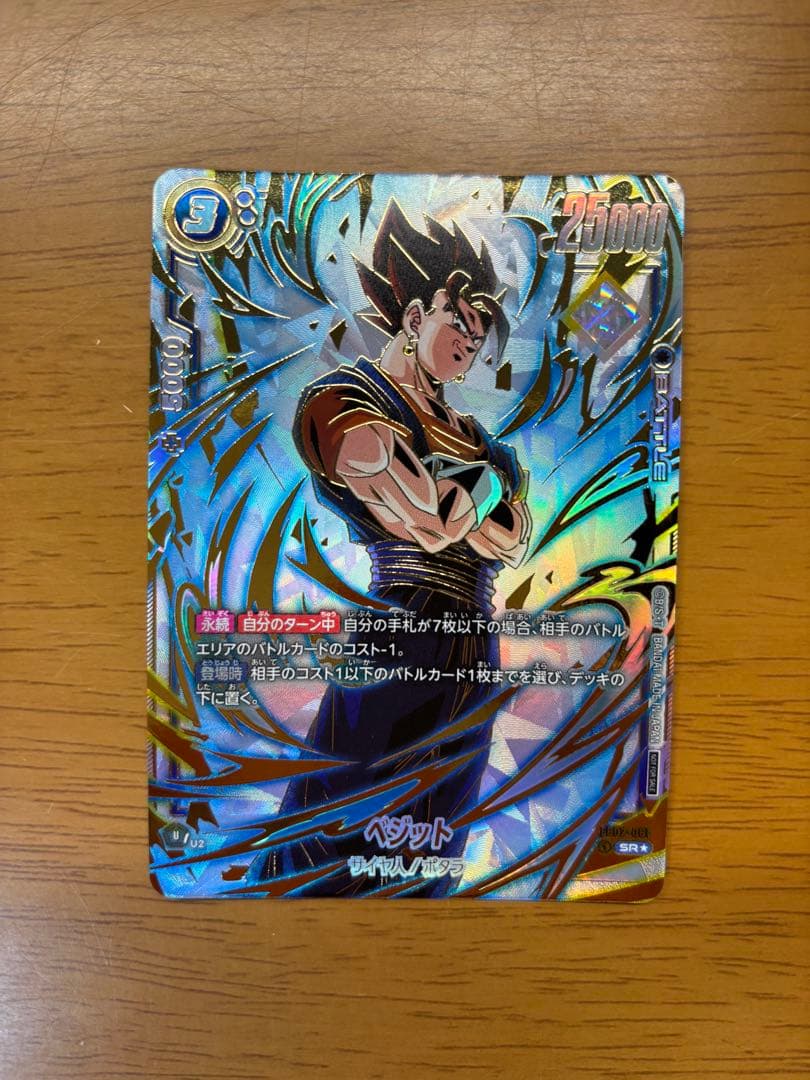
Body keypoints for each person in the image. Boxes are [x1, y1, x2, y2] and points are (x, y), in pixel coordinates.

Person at [263, 200, 531, 895]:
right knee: (341, 816)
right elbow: (431, 524)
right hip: (400, 629)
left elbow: (510, 539)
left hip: (473, 641)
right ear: (414, 318)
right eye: (460, 323)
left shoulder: (478, 438)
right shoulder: (346, 399)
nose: (472, 341)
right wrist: (480, 486)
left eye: (480, 331)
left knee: (436, 837)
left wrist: (465, 492)